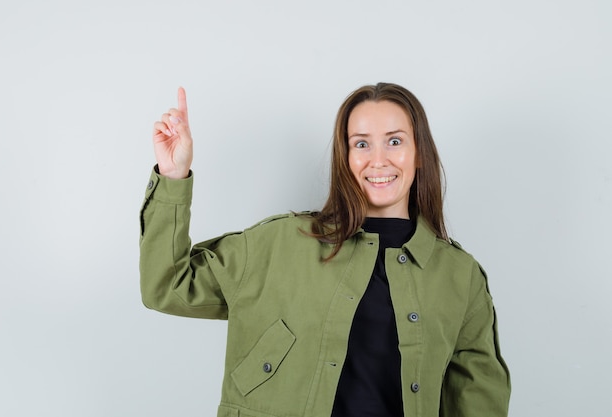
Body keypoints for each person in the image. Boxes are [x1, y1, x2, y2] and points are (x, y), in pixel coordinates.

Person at [139, 83, 511, 417]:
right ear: (345, 157)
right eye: (361, 143)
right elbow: (167, 286)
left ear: (419, 154)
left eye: (395, 141)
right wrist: (173, 178)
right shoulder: (280, 244)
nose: (378, 160)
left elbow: (478, 401)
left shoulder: (460, 278)